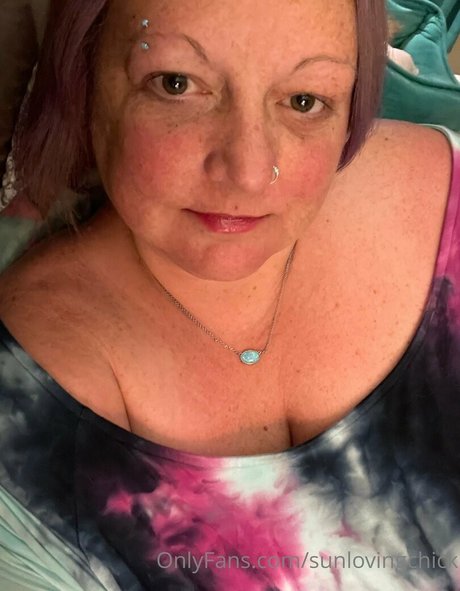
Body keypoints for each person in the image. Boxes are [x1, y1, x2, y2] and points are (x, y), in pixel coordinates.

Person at [0, 0, 459, 589]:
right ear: (82, 74)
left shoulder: (445, 205)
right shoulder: (25, 436)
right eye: (176, 84)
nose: (249, 170)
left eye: (304, 101)